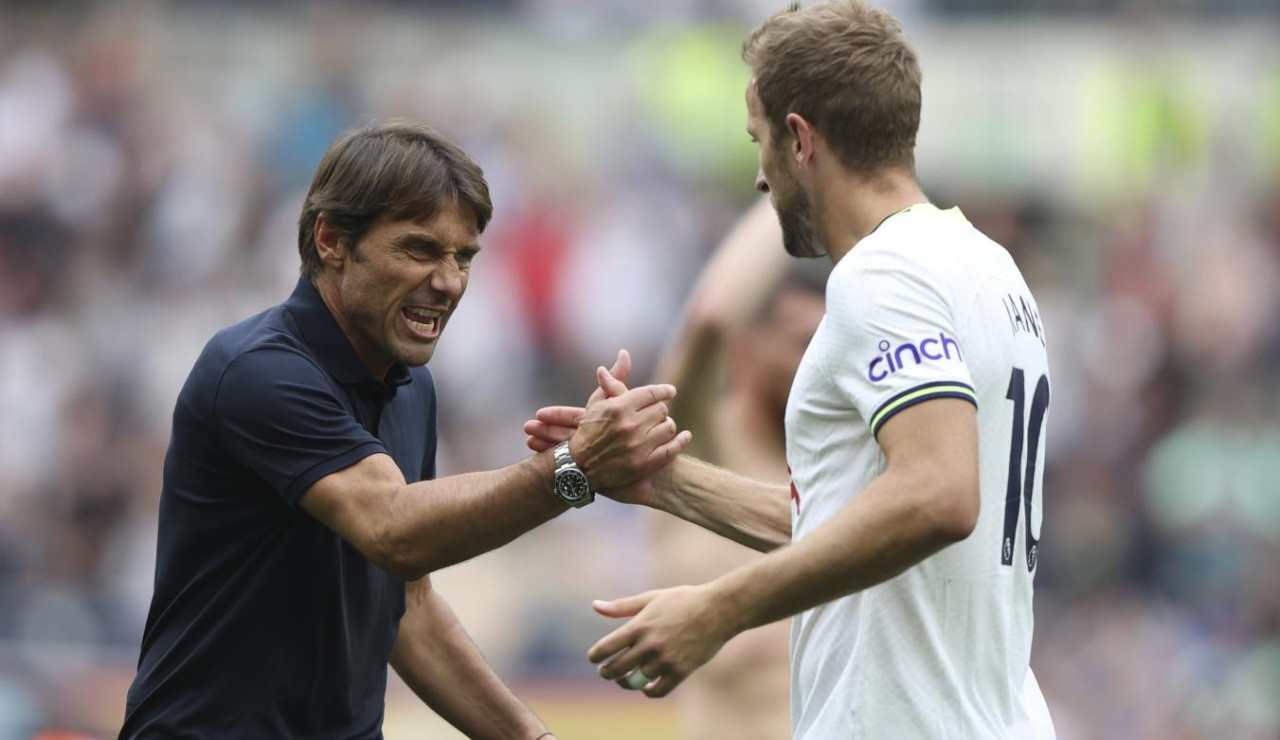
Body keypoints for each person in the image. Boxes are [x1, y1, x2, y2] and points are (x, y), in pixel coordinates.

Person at [526, 3, 1057, 738]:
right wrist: (665, 481)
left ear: (801, 139)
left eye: (759, 141)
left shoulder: (885, 275)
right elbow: (865, 522)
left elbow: (937, 496)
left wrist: (719, 608)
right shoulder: (987, 269)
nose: (759, 177)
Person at [119, 121, 691, 739]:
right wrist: (577, 468)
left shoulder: (411, 387)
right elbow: (394, 531)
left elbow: (407, 606)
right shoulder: (258, 370)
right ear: (332, 239)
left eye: (464, 255)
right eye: (420, 249)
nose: (449, 282)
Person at [642, 199, 822, 740]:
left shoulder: (846, 470)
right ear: (751, 344)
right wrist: (802, 181)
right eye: (799, 342)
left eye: (826, 344)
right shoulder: (696, 445)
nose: (813, 363)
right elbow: (713, 317)